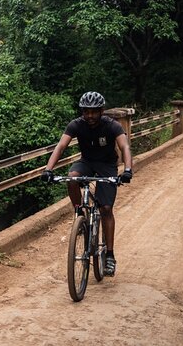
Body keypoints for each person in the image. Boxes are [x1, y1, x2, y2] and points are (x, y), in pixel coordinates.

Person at [40, 91, 133, 277]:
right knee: (72, 177)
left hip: (107, 166)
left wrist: (128, 169)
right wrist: (48, 170)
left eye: (93, 112)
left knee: (106, 208)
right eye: (86, 112)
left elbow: (125, 146)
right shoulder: (76, 125)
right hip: (87, 162)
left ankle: (109, 256)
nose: (89, 116)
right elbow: (61, 146)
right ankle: (80, 213)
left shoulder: (111, 125)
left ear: (101, 111)